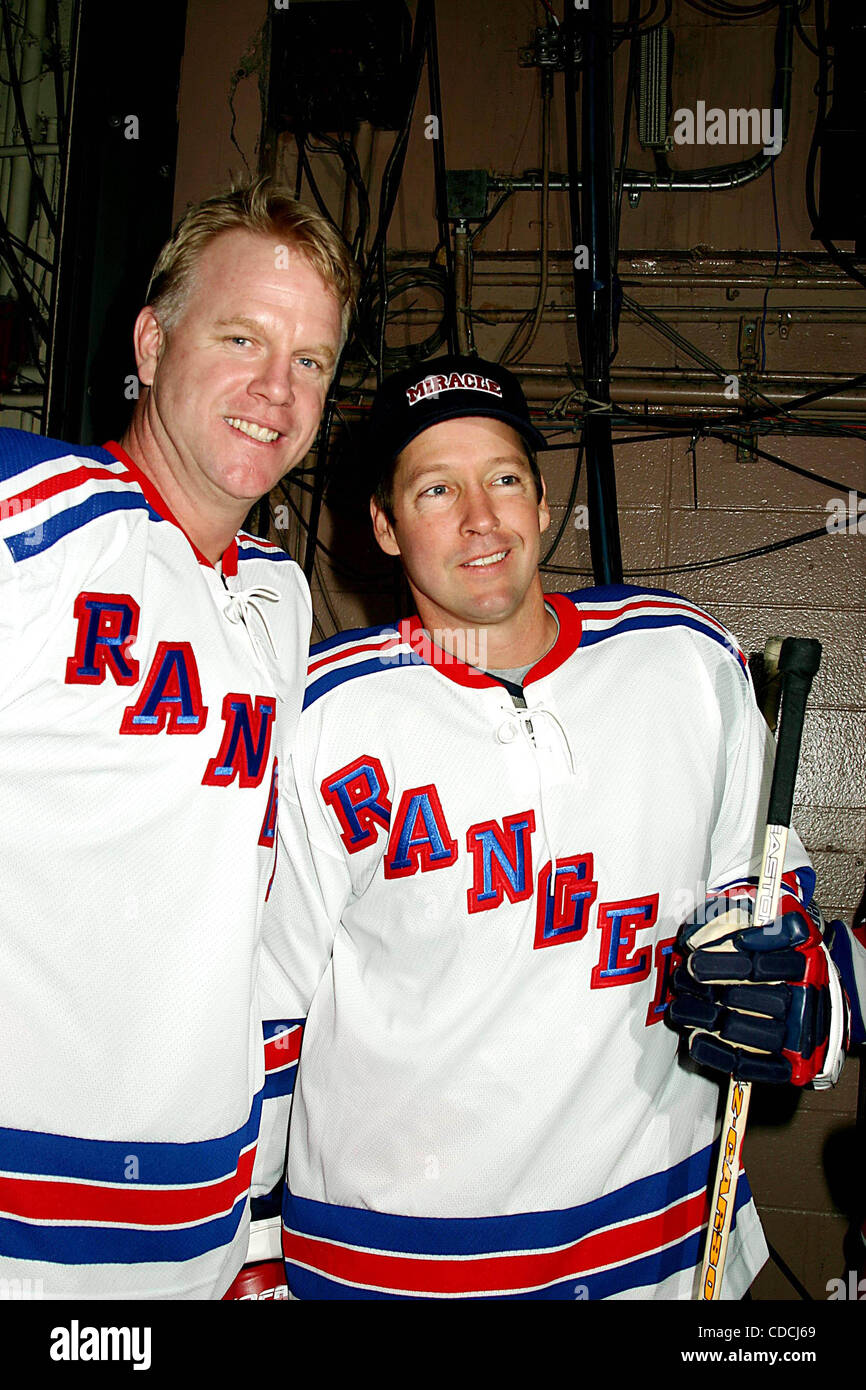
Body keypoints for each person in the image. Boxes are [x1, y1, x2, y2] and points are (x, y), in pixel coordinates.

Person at [267, 352, 849, 1300]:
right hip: (400, 1271)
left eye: (502, 479)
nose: (480, 519)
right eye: (435, 491)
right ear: (382, 527)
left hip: (663, 1260)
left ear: (543, 502)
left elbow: (770, 903)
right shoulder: (320, 718)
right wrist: (250, 1252)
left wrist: (803, 999)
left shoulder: (686, 663)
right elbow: (264, 1009)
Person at [0, 179, 356, 1299]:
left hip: (190, 1215)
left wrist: (252, 1232)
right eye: (242, 337)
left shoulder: (279, 596)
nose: (274, 390)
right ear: (152, 343)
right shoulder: (30, 523)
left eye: (310, 360)